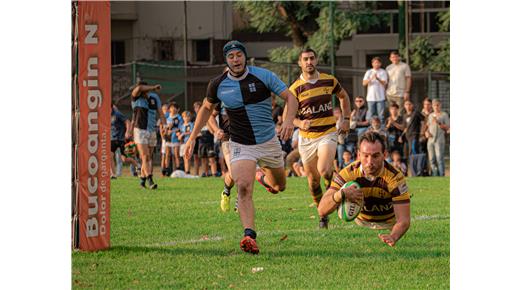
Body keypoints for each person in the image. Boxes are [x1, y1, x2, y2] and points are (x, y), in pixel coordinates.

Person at [184, 40, 298, 254]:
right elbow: (206, 109)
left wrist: (289, 120)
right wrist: (192, 138)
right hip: (240, 143)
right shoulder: (217, 84)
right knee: (243, 187)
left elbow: (291, 97)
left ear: (245, 57)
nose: (235, 60)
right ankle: (249, 236)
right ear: (226, 60)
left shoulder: (264, 76)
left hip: (268, 142)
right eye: (231, 56)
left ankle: (262, 177)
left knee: (279, 186)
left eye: (239, 55)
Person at [288, 48, 351, 229]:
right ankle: (322, 214)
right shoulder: (295, 89)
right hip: (307, 138)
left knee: (324, 170)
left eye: (312, 58)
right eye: (305, 59)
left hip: (328, 132)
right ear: (300, 63)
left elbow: (343, 97)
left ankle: (334, 193)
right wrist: (300, 124)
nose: (309, 62)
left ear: (316, 60)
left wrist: (346, 119)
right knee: (313, 181)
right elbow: (288, 116)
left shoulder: (329, 80)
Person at [318, 131, 411, 247]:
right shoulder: (348, 173)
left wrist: (393, 236)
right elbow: (321, 210)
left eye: (375, 156)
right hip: (360, 221)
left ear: (385, 154)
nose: (370, 162)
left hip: (388, 223)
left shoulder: (395, 178)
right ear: (358, 155)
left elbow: (404, 220)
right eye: (365, 155)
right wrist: (340, 194)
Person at [129, 81, 166, 189]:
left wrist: (165, 125)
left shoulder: (154, 97)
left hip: (152, 130)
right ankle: (150, 179)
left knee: (149, 157)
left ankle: (142, 180)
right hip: (140, 130)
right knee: (145, 156)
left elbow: (161, 113)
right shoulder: (136, 98)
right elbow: (139, 88)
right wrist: (154, 87)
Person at [401, 100, 426, 176]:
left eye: (409, 104)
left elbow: (424, 120)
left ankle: (417, 171)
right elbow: (404, 128)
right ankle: (414, 172)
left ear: (412, 105)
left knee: (414, 152)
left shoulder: (416, 113)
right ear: (404, 106)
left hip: (415, 135)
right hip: (407, 137)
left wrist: (422, 131)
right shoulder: (404, 116)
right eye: (406, 104)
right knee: (410, 154)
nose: (408, 106)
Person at [425, 99, 450, 176]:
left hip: (439, 139)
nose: (436, 107)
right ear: (432, 106)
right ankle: (435, 174)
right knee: (431, 159)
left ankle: (441, 175)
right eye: (434, 105)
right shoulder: (430, 115)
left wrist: (439, 122)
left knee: (439, 158)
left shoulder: (444, 115)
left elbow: (448, 127)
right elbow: (427, 126)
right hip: (430, 140)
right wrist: (426, 133)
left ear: (440, 105)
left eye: (437, 105)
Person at [363, 56, 388, 123]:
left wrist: (377, 78)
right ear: (372, 64)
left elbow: (385, 83)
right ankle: (370, 129)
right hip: (371, 97)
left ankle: (381, 130)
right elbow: (364, 83)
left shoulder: (383, 72)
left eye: (378, 63)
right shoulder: (369, 72)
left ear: (380, 64)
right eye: (375, 63)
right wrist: (371, 78)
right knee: (370, 115)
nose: (376, 64)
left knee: (381, 116)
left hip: (381, 97)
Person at [110, 103, 132, 179]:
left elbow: (128, 122)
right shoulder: (106, 115)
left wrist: (127, 132)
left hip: (121, 139)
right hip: (112, 139)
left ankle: (137, 165)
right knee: (110, 156)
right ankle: (113, 174)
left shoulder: (118, 114)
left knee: (124, 159)